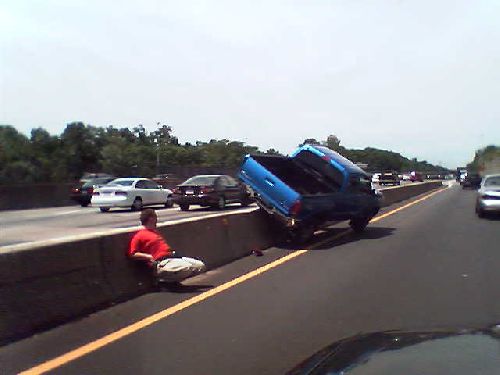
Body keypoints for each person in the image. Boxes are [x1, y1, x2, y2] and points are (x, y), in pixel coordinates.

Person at [128, 208, 205, 283]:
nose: (157, 220)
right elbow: (133, 254)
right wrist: (148, 256)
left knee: (200, 266)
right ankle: (165, 281)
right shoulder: (139, 235)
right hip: (161, 262)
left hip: (172, 257)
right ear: (151, 219)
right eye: (155, 218)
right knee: (187, 268)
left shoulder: (155, 232)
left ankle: (172, 279)